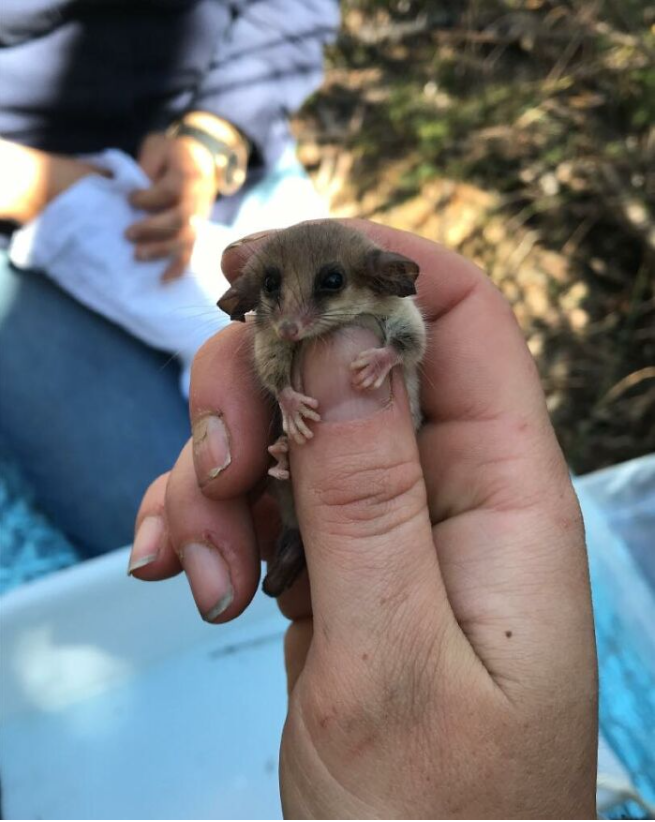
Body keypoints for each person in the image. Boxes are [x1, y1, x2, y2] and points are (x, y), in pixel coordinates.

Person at [130, 221, 599, 818]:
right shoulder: (277, 332)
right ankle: (290, 505)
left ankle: (291, 523)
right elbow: (273, 361)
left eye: (327, 286)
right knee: (277, 452)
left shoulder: (389, 307)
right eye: (272, 292)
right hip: (313, 485)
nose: (292, 319)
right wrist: (288, 397)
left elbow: (408, 336)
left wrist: (385, 356)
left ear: (376, 280)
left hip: (407, 464)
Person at [0, 1, 339, 559]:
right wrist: (46, 187)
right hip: (22, 205)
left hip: (208, 146)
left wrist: (215, 135)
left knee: (334, 430)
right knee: (185, 525)